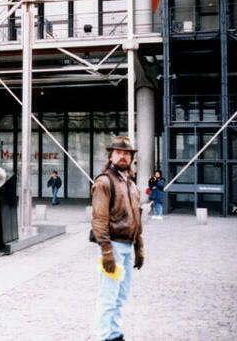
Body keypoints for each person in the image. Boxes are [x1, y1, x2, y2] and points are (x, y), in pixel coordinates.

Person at [91, 136, 144, 341]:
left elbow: (136, 216)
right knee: (108, 296)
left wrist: (139, 247)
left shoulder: (129, 182)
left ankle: (114, 334)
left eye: (126, 153)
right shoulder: (105, 181)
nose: (123, 156)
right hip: (112, 246)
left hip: (127, 246)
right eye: (118, 153)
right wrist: (106, 251)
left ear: (131, 157)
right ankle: (103, 336)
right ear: (111, 156)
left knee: (120, 296)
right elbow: (99, 219)